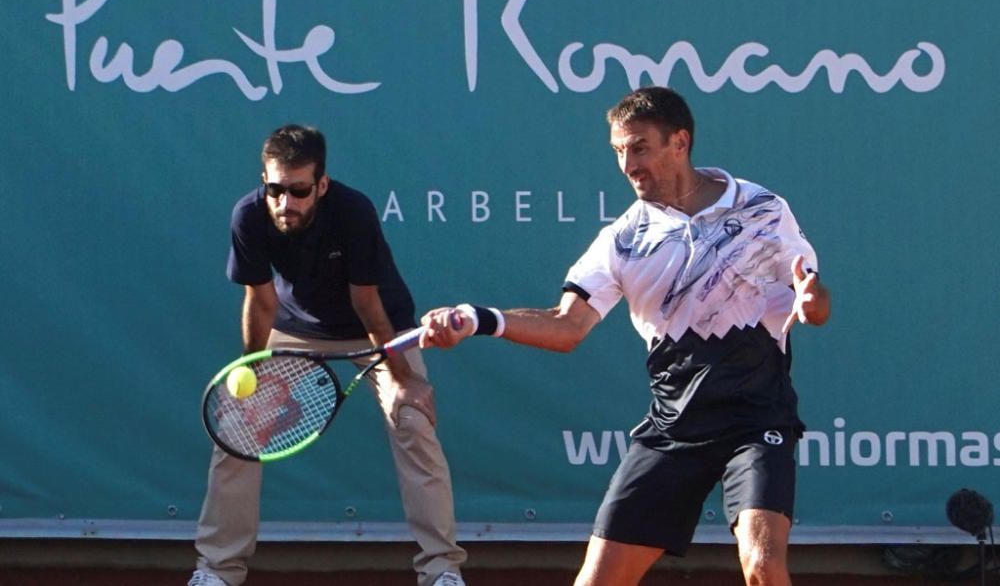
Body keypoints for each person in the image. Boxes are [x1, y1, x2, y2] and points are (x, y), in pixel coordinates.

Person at [420, 86, 830, 586]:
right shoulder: (622, 240)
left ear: (679, 143)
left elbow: (815, 300)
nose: (628, 165)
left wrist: (811, 301)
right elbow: (567, 325)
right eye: (619, 151)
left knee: (762, 565)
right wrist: (478, 319)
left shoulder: (762, 208)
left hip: (757, 420)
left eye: (639, 148)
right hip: (674, 427)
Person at [189, 125, 467, 586]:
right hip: (296, 330)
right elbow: (260, 301)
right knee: (238, 430)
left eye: (299, 191)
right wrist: (253, 371)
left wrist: (402, 379)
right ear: (264, 181)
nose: (285, 203)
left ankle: (442, 570)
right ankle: (217, 569)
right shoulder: (248, 216)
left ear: (321, 184)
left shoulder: (353, 211)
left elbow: (367, 303)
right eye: (275, 190)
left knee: (413, 422)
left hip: (378, 328)